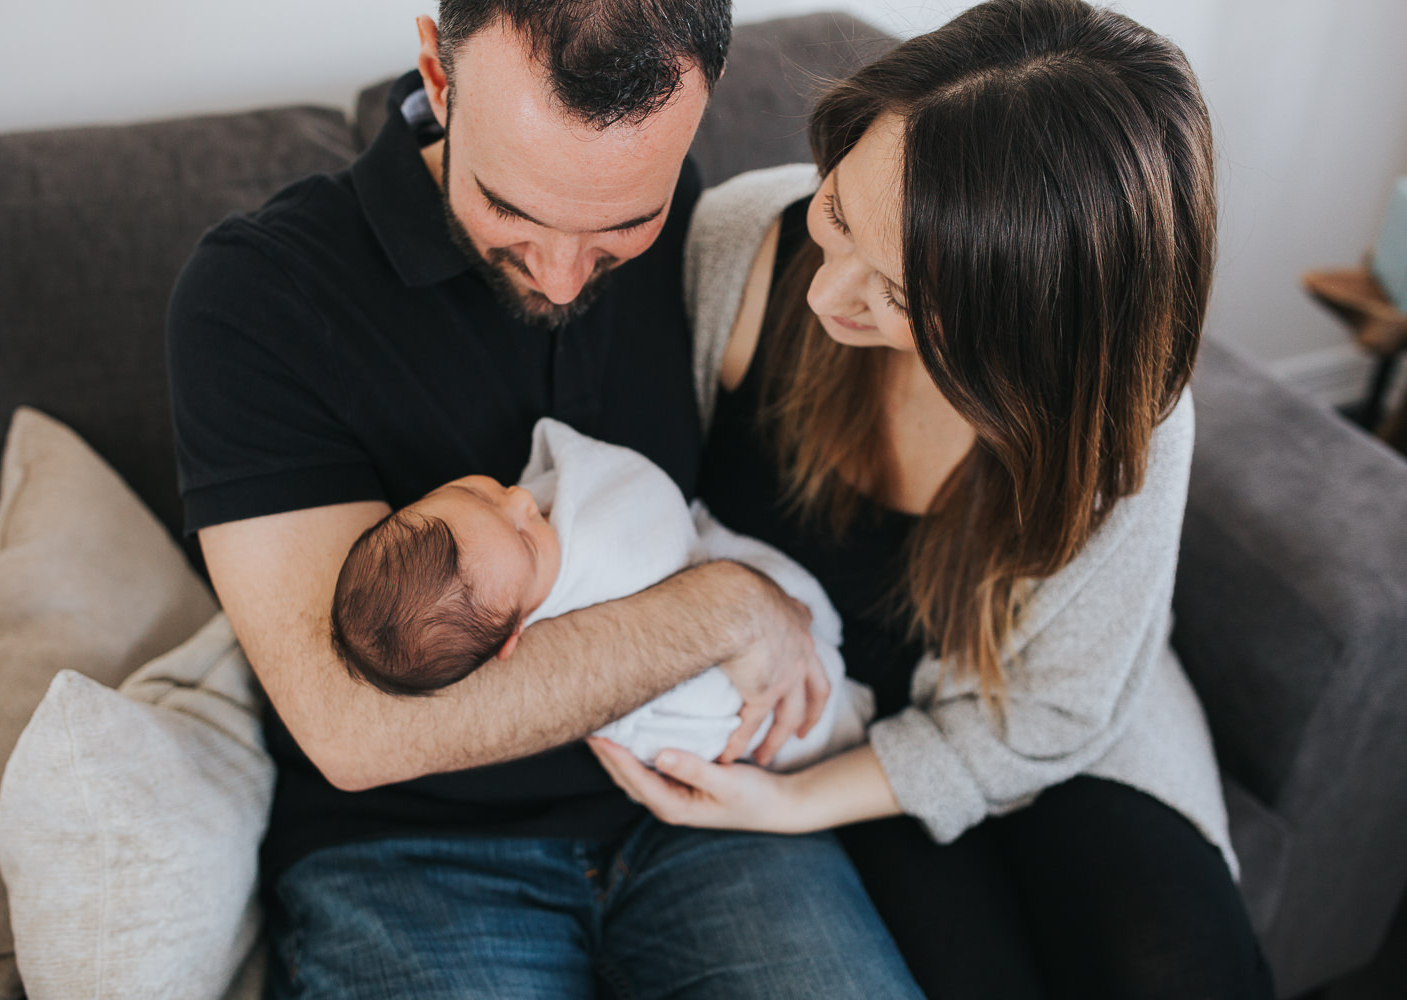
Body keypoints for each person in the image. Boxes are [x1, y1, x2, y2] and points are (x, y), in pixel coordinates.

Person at [166, 0, 920, 996]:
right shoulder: (260, 297)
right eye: (512, 210)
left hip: (709, 817)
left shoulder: (700, 226)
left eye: (622, 224)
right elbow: (355, 727)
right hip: (414, 856)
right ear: (439, 77)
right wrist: (725, 607)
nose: (565, 279)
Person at [588, 1, 1278, 997]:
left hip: (1048, 706)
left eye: (903, 298)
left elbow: (1052, 712)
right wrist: (797, 799)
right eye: (838, 215)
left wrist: (798, 802)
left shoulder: (1122, 424)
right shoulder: (738, 251)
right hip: (844, 726)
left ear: (1039, 341)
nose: (828, 298)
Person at [329, 418, 874, 769]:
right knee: (770, 714)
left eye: (478, 492)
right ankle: (847, 716)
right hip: (699, 709)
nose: (521, 500)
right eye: (527, 540)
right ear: (514, 637)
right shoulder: (569, 588)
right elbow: (642, 534)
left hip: (731, 583)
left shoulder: (501, 564)